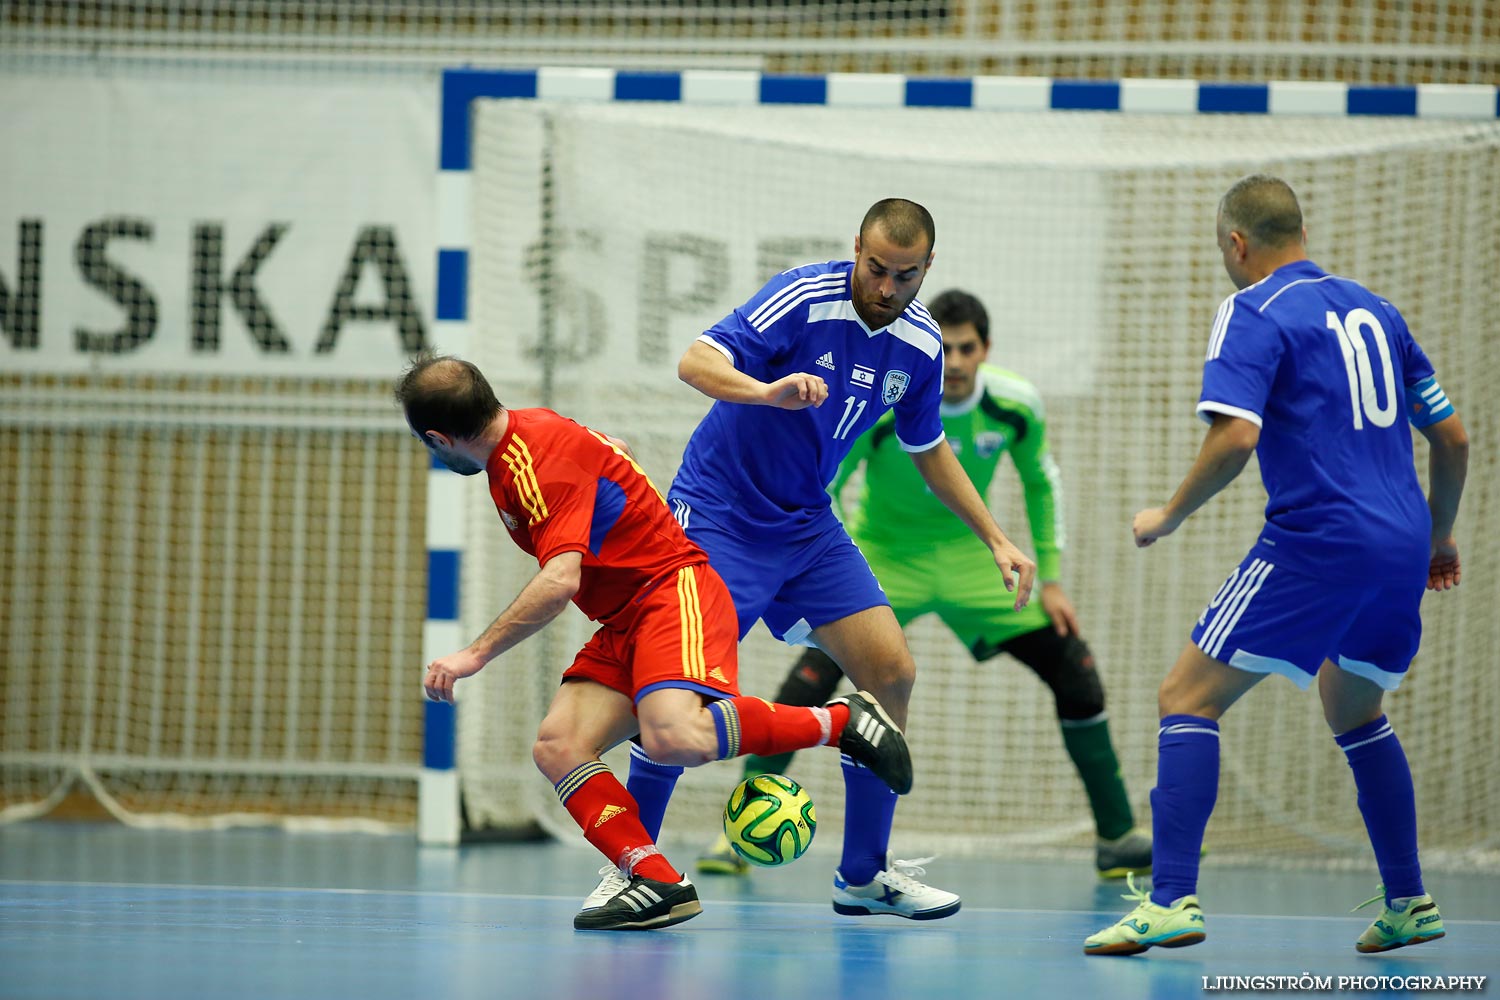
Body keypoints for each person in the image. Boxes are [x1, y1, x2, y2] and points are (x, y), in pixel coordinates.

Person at [619, 199, 1038, 921]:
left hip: (807, 525)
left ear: (926, 269)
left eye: (905, 275)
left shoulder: (924, 344)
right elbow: (695, 360)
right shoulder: (803, 298)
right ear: (857, 250)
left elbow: (928, 447)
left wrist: (996, 536)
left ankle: (863, 876)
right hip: (718, 515)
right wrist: (766, 392)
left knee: (891, 673)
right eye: (875, 268)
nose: (886, 286)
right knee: (674, 698)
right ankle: (633, 869)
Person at [395, 352, 914, 932]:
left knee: (671, 736)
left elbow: (560, 580)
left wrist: (473, 654)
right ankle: (656, 878)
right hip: (626, 618)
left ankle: (843, 722)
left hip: (673, 592)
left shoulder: (532, 465)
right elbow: (606, 466)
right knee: (558, 745)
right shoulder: (523, 438)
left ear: (438, 437)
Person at [1084, 175, 1468, 956]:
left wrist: (1166, 515)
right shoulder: (1376, 307)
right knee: (1354, 708)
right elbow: (1454, 439)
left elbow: (1235, 438)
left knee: (1185, 695)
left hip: (1319, 540)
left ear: (1237, 243)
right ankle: (1410, 901)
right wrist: (1438, 538)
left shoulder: (1251, 309)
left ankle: (1171, 901)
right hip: (1401, 543)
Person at [694, 288, 1151, 880]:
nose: (956, 362)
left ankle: (1115, 835)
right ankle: (740, 832)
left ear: (985, 349)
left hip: (970, 563)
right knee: (812, 675)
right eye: (949, 348)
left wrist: (1053, 578)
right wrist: (797, 560)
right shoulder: (888, 397)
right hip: (886, 555)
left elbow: (1041, 483)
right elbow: (826, 476)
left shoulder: (1016, 406)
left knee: (1075, 669)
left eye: (968, 349)